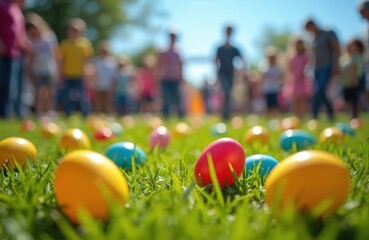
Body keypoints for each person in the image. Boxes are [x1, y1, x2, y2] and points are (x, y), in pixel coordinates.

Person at [0, 0, 31, 119]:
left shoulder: (17, 10)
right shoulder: (2, 4)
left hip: (15, 53)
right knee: (2, 83)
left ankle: (7, 114)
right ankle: (2, 113)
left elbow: (19, 33)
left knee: (11, 86)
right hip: (3, 51)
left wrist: (26, 45)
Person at [304, 19, 340, 120]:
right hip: (316, 69)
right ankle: (330, 114)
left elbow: (336, 48)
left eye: (309, 28)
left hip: (327, 65)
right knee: (320, 91)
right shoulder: (313, 40)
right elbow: (313, 56)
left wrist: (335, 64)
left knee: (320, 90)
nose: (309, 32)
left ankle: (314, 114)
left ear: (313, 25)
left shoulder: (328, 33)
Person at [25, 13, 59, 117]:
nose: (32, 31)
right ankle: (39, 112)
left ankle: (49, 111)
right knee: (38, 91)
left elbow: (55, 53)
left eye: (33, 28)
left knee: (50, 91)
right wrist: (29, 71)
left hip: (49, 68)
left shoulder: (49, 37)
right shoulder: (32, 41)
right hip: (37, 69)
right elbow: (31, 57)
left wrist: (57, 69)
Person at [59, 18, 94, 117]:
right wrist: (61, 74)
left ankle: (85, 114)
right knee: (67, 95)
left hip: (80, 74)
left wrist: (87, 72)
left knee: (82, 96)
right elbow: (62, 60)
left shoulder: (85, 44)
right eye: (71, 30)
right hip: (68, 73)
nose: (73, 32)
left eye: (76, 30)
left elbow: (87, 60)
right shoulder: (64, 44)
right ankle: (68, 113)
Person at [215, 24, 245, 120]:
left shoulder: (234, 49)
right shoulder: (220, 49)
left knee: (228, 94)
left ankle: (226, 114)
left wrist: (242, 71)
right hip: (222, 73)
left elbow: (242, 60)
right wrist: (216, 75)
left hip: (231, 74)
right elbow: (216, 61)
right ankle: (225, 114)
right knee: (226, 93)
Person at [157, 30, 184, 118]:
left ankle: (180, 116)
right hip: (166, 78)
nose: (173, 38)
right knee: (166, 99)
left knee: (177, 98)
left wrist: (181, 77)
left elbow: (181, 65)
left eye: (174, 36)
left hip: (176, 78)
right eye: (171, 36)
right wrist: (157, 77)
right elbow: (158, 64)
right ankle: (166, 116)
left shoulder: (179, 51)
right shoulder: (163, 51)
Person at [286, 37, 312, 119]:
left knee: (302, 99)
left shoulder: (305, 56)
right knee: (295, 99)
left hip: (303, 80)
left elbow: (309, 67)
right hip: (294, 80)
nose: (298, 46)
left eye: (300, 44)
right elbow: (290, 68)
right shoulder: (291, 57)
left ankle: (302, 116)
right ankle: (296, 116)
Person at [340, 39, 365, 119]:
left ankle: (356, 116)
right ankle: (352, 116)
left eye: (353, 45)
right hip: (345, 83)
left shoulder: (357, 56)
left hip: (353, 81)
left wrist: (353, 79)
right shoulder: (344, 58)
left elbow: (355, 68)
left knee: (354, 99)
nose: (350, 47)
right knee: (348, 100)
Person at [92, 41, 116, 114]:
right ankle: (98, 115)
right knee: (98, 101)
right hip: (98, 84)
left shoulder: (111, 62)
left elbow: (113, 75)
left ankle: (108, 115)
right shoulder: (96, 61)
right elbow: (94, 72)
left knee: (108, 101)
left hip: (108, 85)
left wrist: (113, 85)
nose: (104, 52)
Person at [261, 46, 283, 116]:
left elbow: (281, 77)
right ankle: (268, 117)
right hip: (267, 89)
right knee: (268, 105)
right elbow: (262, 78)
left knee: (275, 104)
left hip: (275, 89)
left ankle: (275, 116)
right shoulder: (266, 68)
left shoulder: (277, 68)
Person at [358, 1, 369, 111]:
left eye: (362, 11)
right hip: (366, 62)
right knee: (366, 86)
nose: (361, 14)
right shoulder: (365, 28)